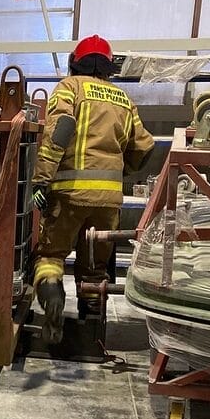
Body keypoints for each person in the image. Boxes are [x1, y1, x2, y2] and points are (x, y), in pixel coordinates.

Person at [30, 34, 154, 343]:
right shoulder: (124, 100)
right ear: (109, 68)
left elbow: (59, 132)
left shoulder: (70, 88)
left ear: (75, 64)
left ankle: (53, 302)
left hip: (68, 194)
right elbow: (145, 147)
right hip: (108, 201)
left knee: (51, 256)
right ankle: (91, 335)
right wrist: (120, 172)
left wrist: (41, 179)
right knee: (95, 267)